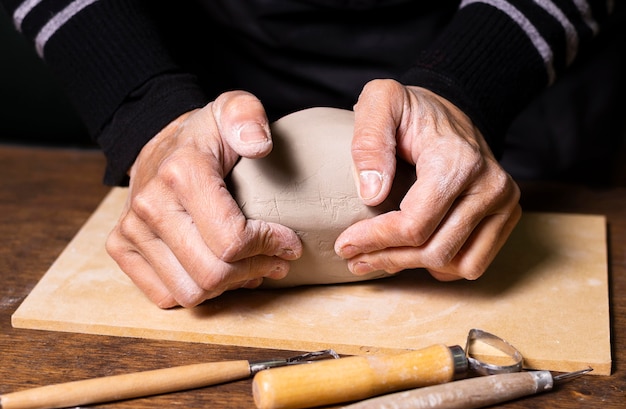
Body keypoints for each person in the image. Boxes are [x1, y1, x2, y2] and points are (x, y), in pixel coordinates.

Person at [1, 1, 620, 308]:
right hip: (217, 78)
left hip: (504, 91)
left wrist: (466, 90)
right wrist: (144, 110)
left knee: (458, 221)